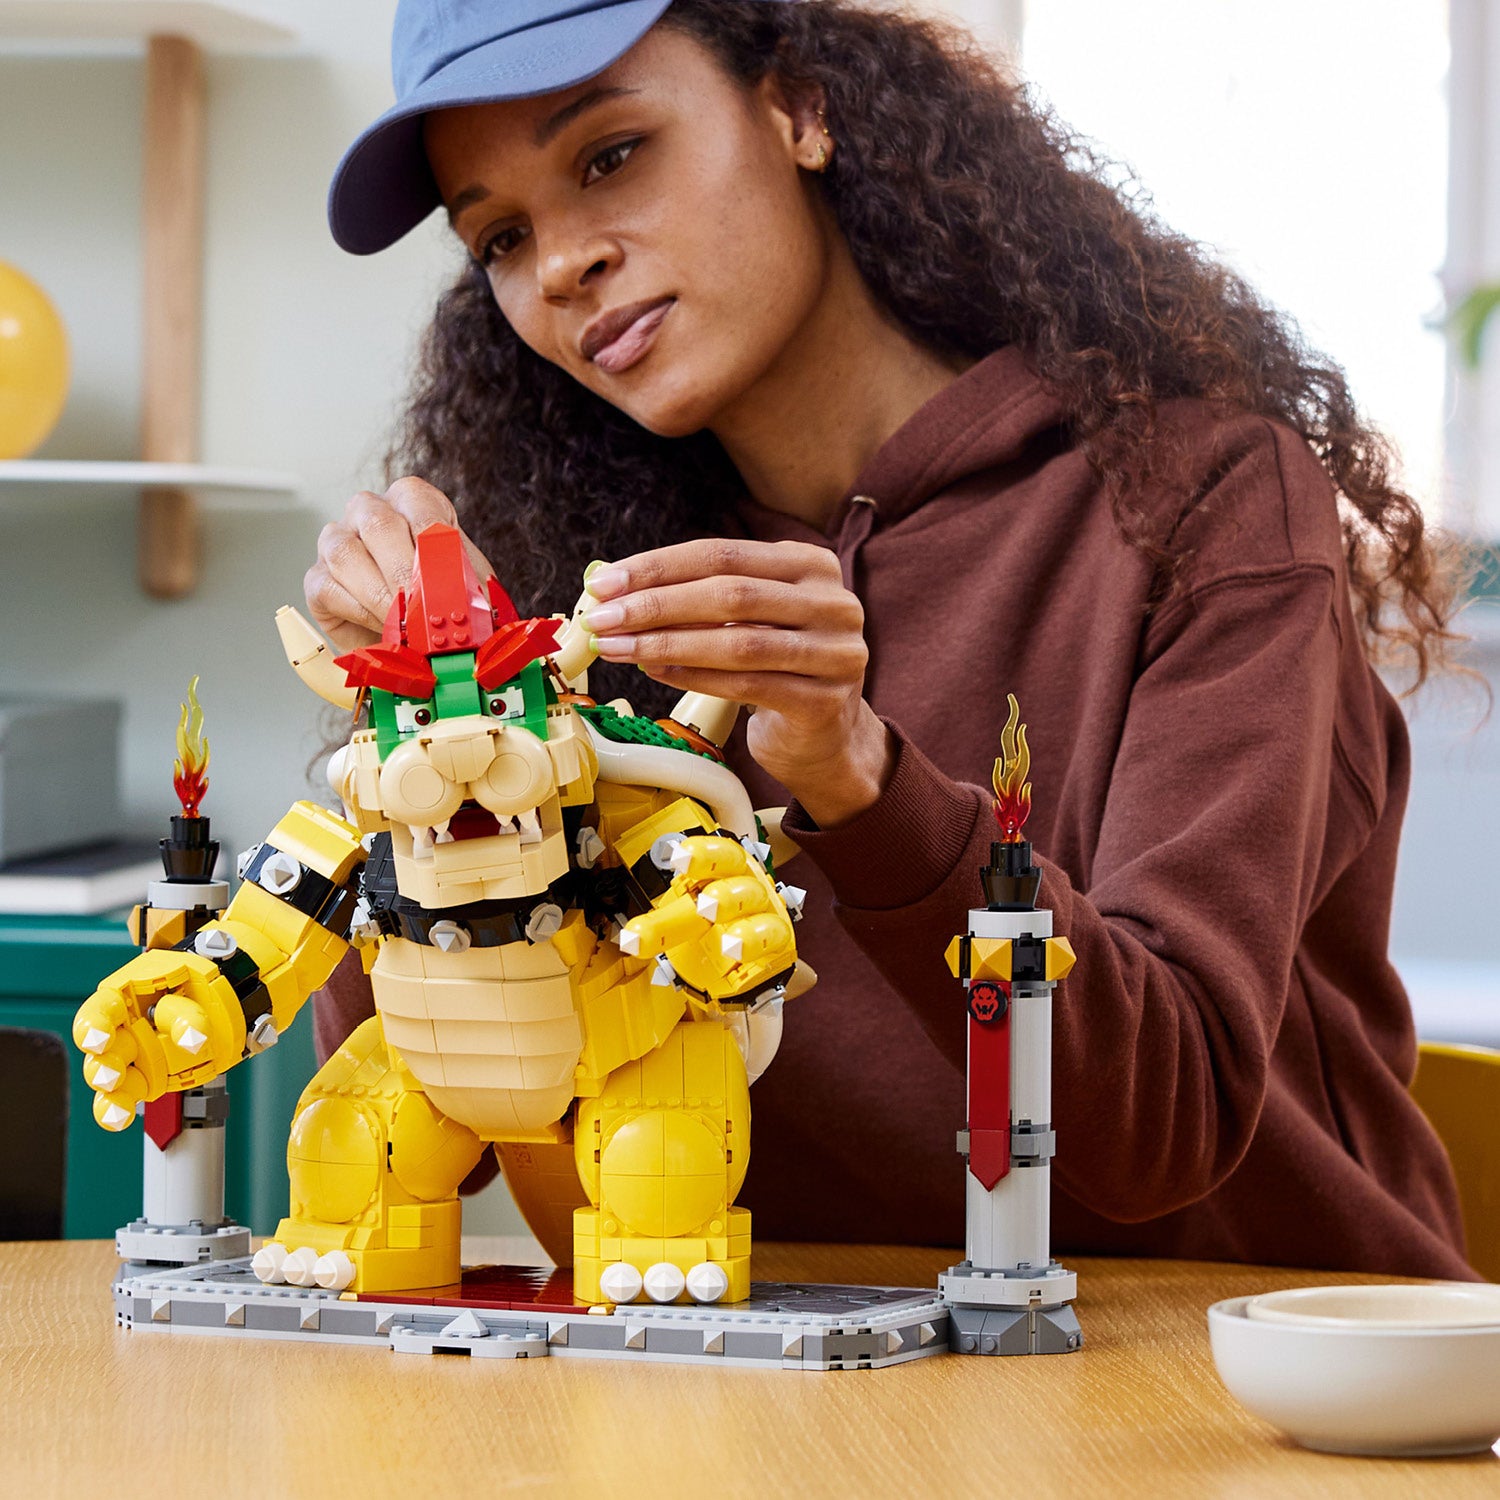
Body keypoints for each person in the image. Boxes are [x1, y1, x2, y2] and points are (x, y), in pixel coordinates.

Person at [305, 0, 1475, 1279]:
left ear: (799, 108)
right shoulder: (582, 607)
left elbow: (1161, 1129)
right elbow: (459, 1120)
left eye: (610, 155)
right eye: (500, 236)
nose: (561, 266)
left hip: (1229, 1353)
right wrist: (421, 734)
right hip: (764, 1364)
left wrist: (861, 778)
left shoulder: (1199, 502)